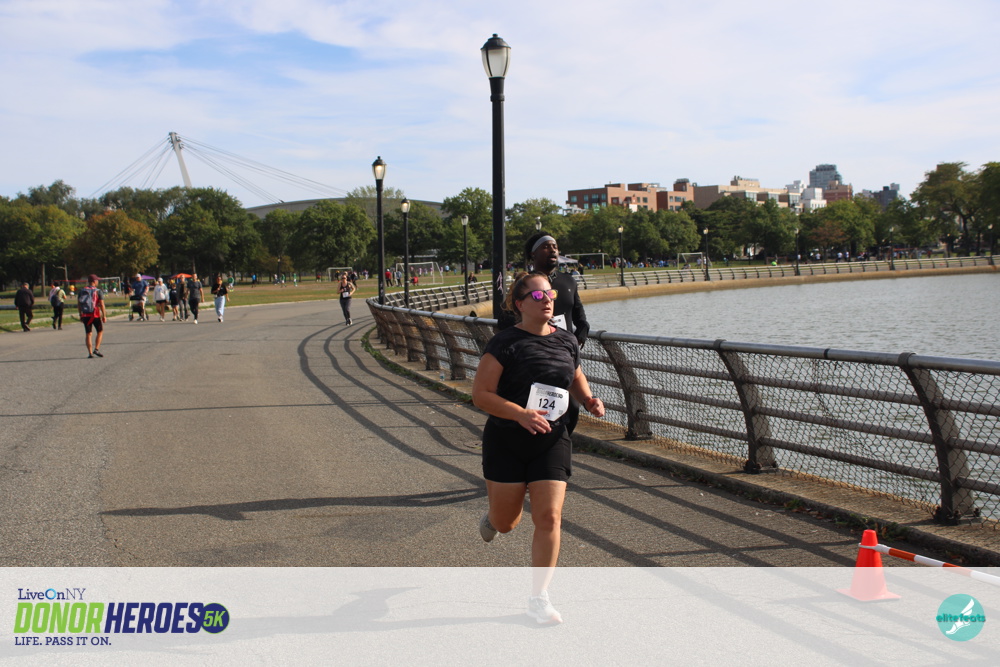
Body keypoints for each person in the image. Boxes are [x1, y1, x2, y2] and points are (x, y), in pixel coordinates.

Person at [472, 271, 605, 625]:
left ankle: (538, 598)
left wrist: (588, 399)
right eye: (537, 296)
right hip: (507, 440)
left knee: (549, 517)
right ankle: (494, 518)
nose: (547, 300)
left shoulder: (566, 340)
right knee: (507, 522)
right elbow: (481, 395)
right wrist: (520, 414)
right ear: (519, 304)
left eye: (550, 294)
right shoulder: (504, 343)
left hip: (551, 439)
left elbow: (575, 374)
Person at [77, 274, 107, 358]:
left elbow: (79, 304)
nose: (98, 282)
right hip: (95, 314)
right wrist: (104, 315)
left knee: (88, 334)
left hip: (86, 315)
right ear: (94, 281)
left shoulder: (82, 291)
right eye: (97, 280)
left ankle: (90, 353)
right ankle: (96, 349)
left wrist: (80, 314)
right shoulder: (98, 291)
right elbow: (102, 304)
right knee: (100, 331)